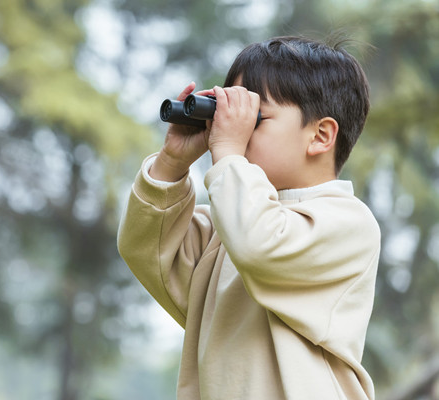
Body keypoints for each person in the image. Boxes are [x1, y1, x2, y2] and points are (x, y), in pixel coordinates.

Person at [117, 36, 380, 399]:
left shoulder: (347, 224)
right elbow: (144, 246)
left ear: (320, 136)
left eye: (252, 118)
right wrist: (172, 162)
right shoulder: (229, 226)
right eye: (226, 116)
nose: (230, 129)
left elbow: (260, 245)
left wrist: (227, 151)